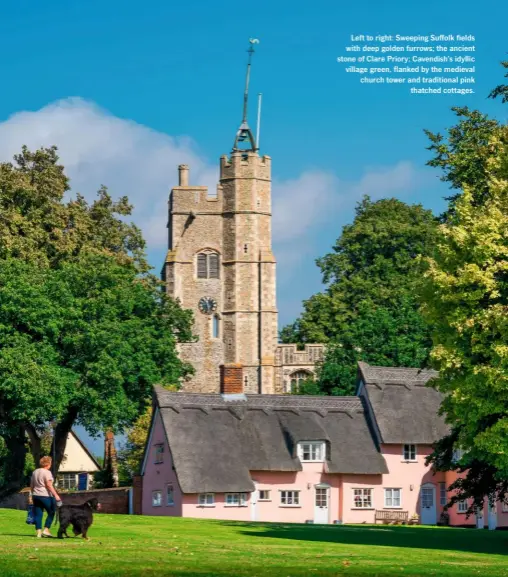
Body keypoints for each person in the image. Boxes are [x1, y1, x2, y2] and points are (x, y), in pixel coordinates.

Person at [29, 456, 63, 538]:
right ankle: (46, 529)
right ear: (48, 464)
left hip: (36, 495)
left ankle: (38, 532)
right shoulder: (47, 472)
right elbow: (49, 485)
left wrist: (30, 495)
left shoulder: (35, 472)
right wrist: (56, 495)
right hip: (45, 495)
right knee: (51, 512)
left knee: (38, 514)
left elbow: (32, 485)